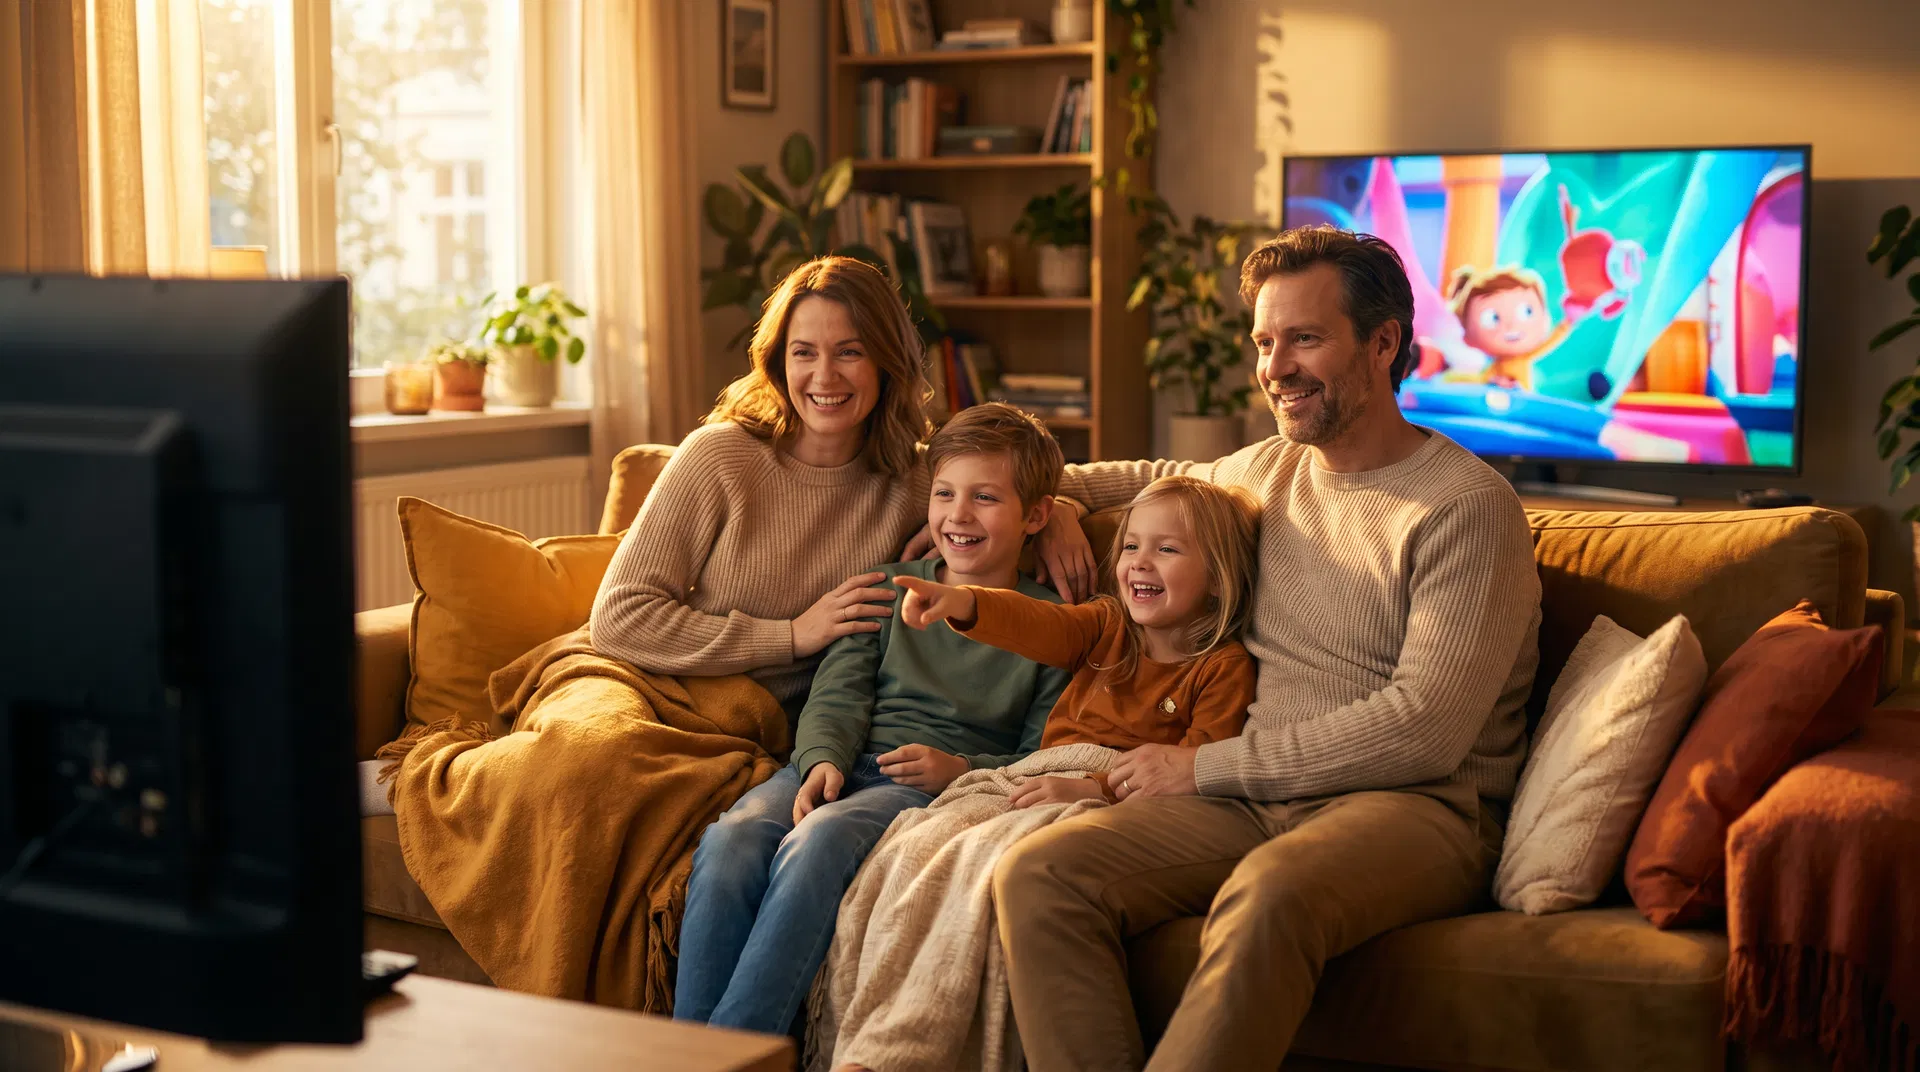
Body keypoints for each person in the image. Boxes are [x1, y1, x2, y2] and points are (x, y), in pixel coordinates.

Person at [993, 225, 1544, 1072]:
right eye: (1263, 342)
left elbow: (1424, 729)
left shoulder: (1466, 508)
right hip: (1258, 797)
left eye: (1305, 339)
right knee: (1037, 875)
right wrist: (1055, 502)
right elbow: (1137, 479)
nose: (1275, 367)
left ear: (1383, 343)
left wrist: (1204, 768)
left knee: (1268, 894)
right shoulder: (1265, 472)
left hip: (1416, 809)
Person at [810, 475, 1261, 1072]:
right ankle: (859, 1040)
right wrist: (964, 603)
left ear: (1219, 577)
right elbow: (1039, 624)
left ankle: (906, 1055)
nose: (1139, 562)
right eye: (1131, 546)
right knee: (913, 848)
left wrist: (1095, 788)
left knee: (986, 864)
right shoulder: (1105, 624)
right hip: (1031, 776)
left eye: (1168, 549)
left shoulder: (1222, 667)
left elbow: (1193, 770)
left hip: (1107, 796)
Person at [672, 403, 1075, 1035]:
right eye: (944, 493)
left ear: (1037, 515)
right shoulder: (887, 588)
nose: (958, 515)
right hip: (835, 761)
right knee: (732, 840)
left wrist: (962, 769)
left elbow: (1045, 751)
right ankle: (684, 1049)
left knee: (820, 840)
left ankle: (742, 1048)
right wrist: (821, 758)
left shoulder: (1053, 627)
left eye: (986, 497)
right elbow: (837, 693)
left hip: (921, 787)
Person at [589, 256, 934, 714]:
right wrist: (791, 636)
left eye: (849, 352)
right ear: (779, 362)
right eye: (804, 352)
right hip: (652, 689)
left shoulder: (916, 477)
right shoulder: (718, 456)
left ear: (887, 362)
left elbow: (1028, 483)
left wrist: (1038, 524)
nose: (824, 376)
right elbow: (618, 618)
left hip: (776, 725)